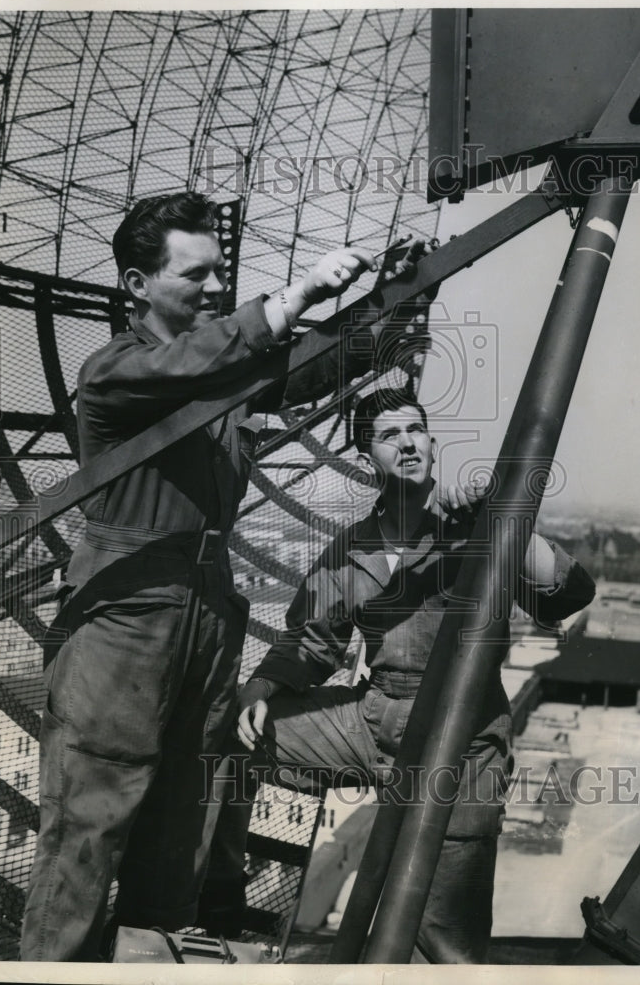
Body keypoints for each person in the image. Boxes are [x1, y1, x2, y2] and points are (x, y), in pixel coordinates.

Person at [19, 192, 426, 962]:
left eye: (218, 275)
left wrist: (398, 302)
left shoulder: (217, 370)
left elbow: (307, 369)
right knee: (91, 820)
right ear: (137, 285)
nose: (212, 289)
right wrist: (294, 296)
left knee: (182, 818)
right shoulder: (116, 371)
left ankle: (146, 959)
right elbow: (198, 360)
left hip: (205, 607)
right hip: (125, 613)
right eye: (194, 275)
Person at [233, 388, 596, 962]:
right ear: (365, 458)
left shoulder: (478, 524)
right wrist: (259, 690)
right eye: (389, 436)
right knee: (224, 737)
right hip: (372, 718)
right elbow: (312, 638)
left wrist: (497, 518)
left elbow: (567, 594)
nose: (407, 443)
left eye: (416, 430)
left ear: (432, 441)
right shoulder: (355, 545)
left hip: (464, 735)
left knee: (445, 941)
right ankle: (223, 916)